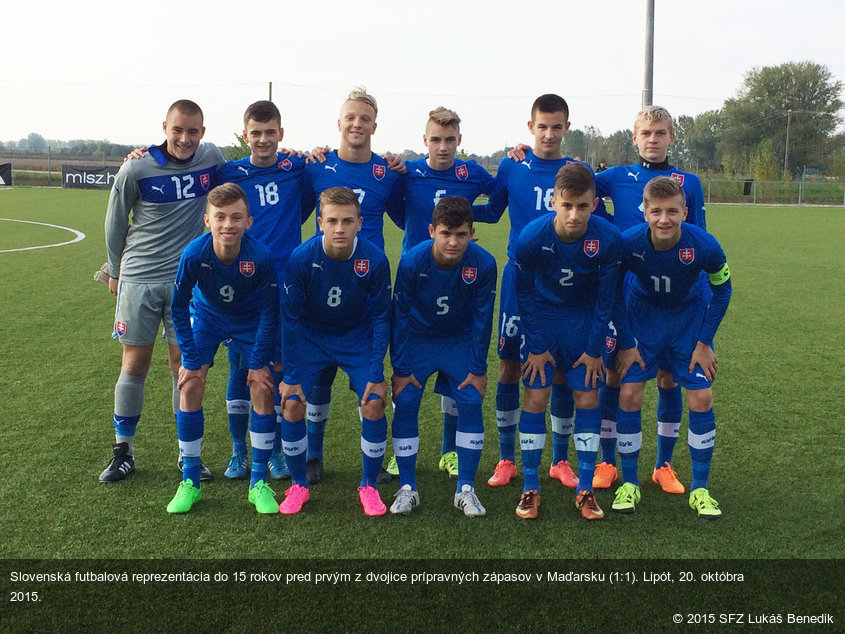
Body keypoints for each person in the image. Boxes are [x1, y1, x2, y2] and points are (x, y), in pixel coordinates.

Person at [100, 99, 224, 483]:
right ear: (165, 128)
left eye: (192, 131)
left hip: (186, 284)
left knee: (182, 368)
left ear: (202, 132)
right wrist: (116, 272)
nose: (185, 138)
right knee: (134, 365)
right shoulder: (137, 167)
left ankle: (187, 455)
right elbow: (114, 223)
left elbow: (248, 171)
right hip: (139, 279)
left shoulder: (212, 160)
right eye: (177, 130)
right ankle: (123, 452)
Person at [592, 106, 707, 495]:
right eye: (646, 133)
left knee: (669, 377)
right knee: (616, 376)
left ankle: (663, 465)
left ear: (672, 137)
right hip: (624, 292)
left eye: (661, 133)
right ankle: (608, 461)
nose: (653, 139)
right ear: (635, 137)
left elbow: (699, 245)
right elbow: (573, 183)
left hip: (674, 299)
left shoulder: (687, 182)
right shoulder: (616, 177)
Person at [476, 94, 587, 490]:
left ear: (567, 128)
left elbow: (600, 217)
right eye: (543, 126)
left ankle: (560, 460)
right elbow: (491, 210)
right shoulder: (513, 164)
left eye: (557, 127)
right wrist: (438, 209)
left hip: (565, 285)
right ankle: (507, 458)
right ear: (530, 128)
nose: (550, 134)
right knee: (509, 365)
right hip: (520, 279)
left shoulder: (578, 170)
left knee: (559, 368)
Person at [299, 88, 404, 485]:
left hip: (368, 289)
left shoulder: (389, 174)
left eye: (364, 118)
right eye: (350, 117)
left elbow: (410, 217)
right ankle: (313, 455)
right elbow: (298, 213)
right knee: (317, 381)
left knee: (372, 380)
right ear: (339, 123)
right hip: (320, 288)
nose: (357, 124)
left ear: (374, 125)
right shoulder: (315, 167)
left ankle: (375, 461)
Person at [387, 106, 497, 480]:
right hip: (417, 274)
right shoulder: (409, 171)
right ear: (425, 140)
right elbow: (394, 209)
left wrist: (464, 224)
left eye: (450, 140)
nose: (443, 147)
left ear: (460, 141)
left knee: (456, 380)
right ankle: (398, 453)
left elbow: (497, 207)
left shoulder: (471, 173)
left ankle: (450, 451)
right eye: (436, 139)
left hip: (458, 274)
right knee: (408, 375)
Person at [611, 176, 731, 519]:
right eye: (657, 211)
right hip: (643, 318)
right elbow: (614, 292)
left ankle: (700, 488)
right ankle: (630, 482)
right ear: (645, 212)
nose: (665, 219)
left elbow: (723, 290)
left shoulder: (705, 245)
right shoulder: (628, 243)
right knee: (630, 393)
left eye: (673, 211)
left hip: (687, 321)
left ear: (685, 211)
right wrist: (627, 341)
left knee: (702, 397)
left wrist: (704, 342)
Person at [512, 163, 621, 520]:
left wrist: (594, 350)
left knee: (587, 395)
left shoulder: (607, 239)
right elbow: (524, 297)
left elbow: (606, 301)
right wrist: (537, 345)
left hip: (583, 322)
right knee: (536, 395)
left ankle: (585, 489)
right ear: (555, 202)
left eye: (583, 206)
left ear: (594, 204)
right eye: (568, 205)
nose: (575, 215)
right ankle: (531, 487)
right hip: (542, 319)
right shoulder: (531, 238)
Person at [278, 187, 392, 516]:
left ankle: (369, 485)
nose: (339, 228)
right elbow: (290, 320)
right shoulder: (302, 258)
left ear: (360, 222)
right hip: (312, 337)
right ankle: (299, 485)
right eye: (332, 221)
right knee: (293, 402)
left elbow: (383, 315)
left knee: (373, 402)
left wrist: (375, 374)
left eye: (346, 221)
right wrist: (291, 376)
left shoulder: (374, 259)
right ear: (320, 223)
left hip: (356, 336)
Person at [167, 183, 278, 514]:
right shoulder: (194, 254)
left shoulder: (261, 257)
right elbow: (177, 308)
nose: (227, 224)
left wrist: (258, 362)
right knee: (189, 382)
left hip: (249, 320)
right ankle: (190, 482)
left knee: (262, 384)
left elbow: (271, 312)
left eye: (235, 217)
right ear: (207, 220)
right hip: (208, 318)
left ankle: (258, 482)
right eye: (220, 217)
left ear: (248, 222)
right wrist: (189, 357)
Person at [215, 100, 311, 482]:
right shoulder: (230, 172)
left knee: (276, 366)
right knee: (241, 366)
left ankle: (270, 453)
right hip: (242, 282)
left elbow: (305, 206)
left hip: (285, 281)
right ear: (245, 135)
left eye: (271, 132)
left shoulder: (296, 167)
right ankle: (240, 452)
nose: (264, 139)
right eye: (256, 132)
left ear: (281, 134)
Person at [389, 196, 496, 517]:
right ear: (432, 230)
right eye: (446, 233)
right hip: (419, 340)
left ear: (472, 233)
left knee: (471, 401)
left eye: (461, 234)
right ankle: (407, 487)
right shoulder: (412, 262)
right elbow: (400, 317)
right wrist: (401, 367)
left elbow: (482, 320)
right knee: (406, 400)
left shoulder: (484, 263)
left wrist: (478, 368)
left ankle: (466, 488)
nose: (453, 242)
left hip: (458, 341)